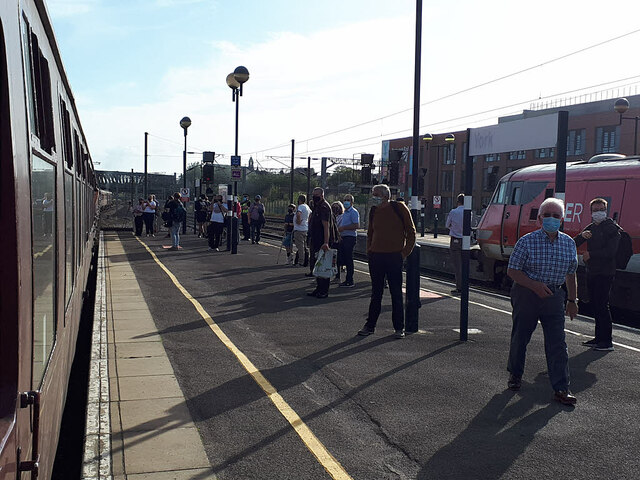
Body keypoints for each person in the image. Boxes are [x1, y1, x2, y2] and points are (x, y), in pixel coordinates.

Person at [506, 197, 579, 406]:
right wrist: (534, 285)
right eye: (547, 215)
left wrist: (572, 300)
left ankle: (561, 388)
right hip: (526, 294)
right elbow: (512, 270)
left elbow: (571, 274)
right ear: (539, 218)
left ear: (562, 219)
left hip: (554, 297)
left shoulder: (569, 243)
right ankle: (515, 374)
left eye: (556, 216)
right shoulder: (526, 241)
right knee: (521, 336)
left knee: (558, 343)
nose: (551, 219)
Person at [358, 184, 416, 338]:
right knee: (376, 293)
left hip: (394, 256)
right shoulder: (374, 211)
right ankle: (370, 325)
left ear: (385, 195)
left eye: (375, 194)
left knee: (395, 293)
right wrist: (369, 250)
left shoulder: (399, 208)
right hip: (376, 256)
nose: (373, 197)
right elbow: (371, 232)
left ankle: (399, 328)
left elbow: (411, 231)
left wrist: (404, 253)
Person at [574, 198, 620, 352]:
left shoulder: (612, 228)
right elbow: (574, 243)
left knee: (602, 305)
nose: (598, 213)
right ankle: (598, 338)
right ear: (591, 212)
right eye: (595, 210)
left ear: (605, 210)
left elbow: (611, 252)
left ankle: (607, 341)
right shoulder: (591, 228)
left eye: (601, 209)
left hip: (605, 272)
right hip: (592, 271)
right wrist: (582, 236)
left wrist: (590, 254)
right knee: (595, 304)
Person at [307, 188, 336, 299]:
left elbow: (326, 226)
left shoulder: (324, 207)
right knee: (317, 265)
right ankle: (319, 288)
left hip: (322, 241)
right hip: (316, 239)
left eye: (317, 195)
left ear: (322, 195)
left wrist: (326, 242)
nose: (314, 197)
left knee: (324, 266)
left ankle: (324, 290)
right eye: (313, 195)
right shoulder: (317, 206)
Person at [338, 194, 360, 287]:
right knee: (342, 257)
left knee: (348, 258)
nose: (346, 202)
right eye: (345, 200)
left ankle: (350, 280)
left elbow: (356, 225)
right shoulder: (343, 213)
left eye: (348, 200)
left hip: (350, 237)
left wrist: (344, 228)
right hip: (342, 237)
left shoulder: (354, 212)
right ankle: (343, 278)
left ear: (352, 202)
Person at [446, 193, 465, 294]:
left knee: (457, 266)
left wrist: (453, 229)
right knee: (464, 264)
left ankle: (459, 287)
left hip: (455, 240)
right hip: (465, 241)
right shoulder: (468, 212)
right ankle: (465, 285)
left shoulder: (453, 212)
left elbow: (447, 224)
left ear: (458, 201)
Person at [293, 195, 311, 267]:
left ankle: (301, 261)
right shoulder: (307, 207)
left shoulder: (300, 207)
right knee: (304, 246)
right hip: (305, 228)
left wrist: (298, 221)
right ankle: (306, 260)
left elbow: (298, 213)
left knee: (300, 247)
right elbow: (310, 214)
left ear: (299, 200)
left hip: (299, 229)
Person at [331, 201, 345, 282]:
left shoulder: (342, 217)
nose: (335, 209)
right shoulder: (331, 216)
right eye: (334, 208)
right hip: (333, 239)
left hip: (339, 239)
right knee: (333, 258)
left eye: (337, 208)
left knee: (338, 259)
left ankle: (338, 276)